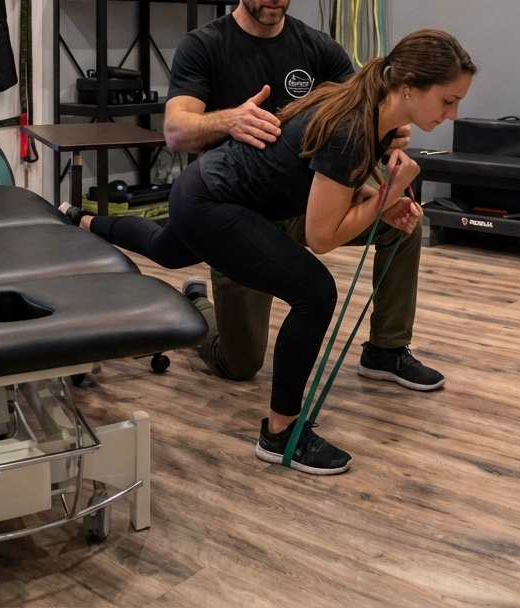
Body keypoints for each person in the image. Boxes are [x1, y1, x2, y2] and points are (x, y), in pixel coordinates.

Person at [68, 29, 476, 474]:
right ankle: (281, 435)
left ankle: (80, 220)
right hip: (213, 202)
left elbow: (339, 181)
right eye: (447, 100)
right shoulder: (354, 126)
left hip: (221, 194)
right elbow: (323, 238)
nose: (453, 114)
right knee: (314, 293)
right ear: (409, 86)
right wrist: (387, 196)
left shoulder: (372, 114)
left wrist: (385, 204)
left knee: (164, 249)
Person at [161, 0, 443, 393]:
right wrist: (230, 120)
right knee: (241, 364)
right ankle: (196, 306)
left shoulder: (317, 48)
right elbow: (175, 131)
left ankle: (387, 349)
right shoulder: (205, 46)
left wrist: (392, 131)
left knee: (403, 220)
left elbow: (366, 114)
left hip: (306, 200)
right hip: (238, 216)